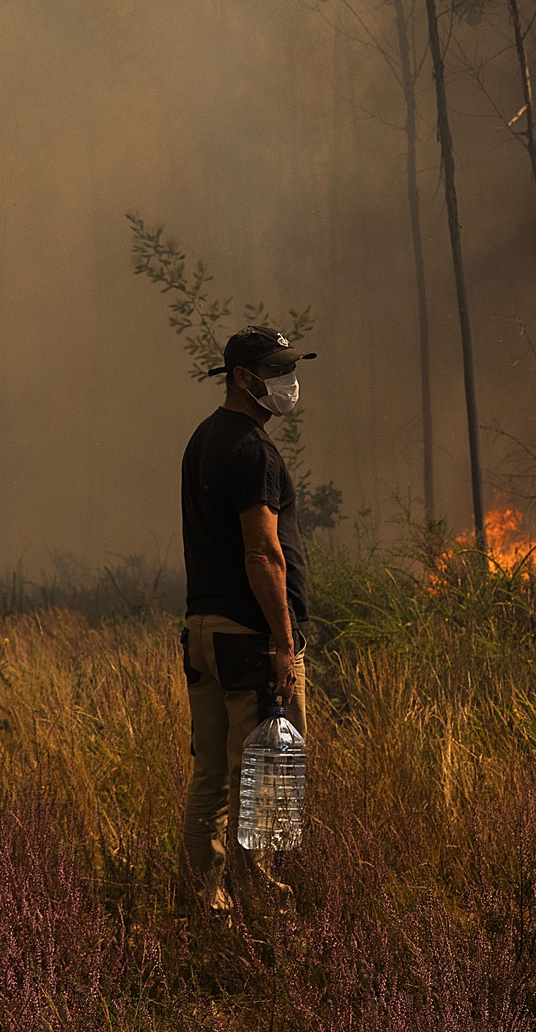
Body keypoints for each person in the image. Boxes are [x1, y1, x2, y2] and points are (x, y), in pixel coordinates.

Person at [178, 324, 316, 917]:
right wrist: (284, 644)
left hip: (203, 634)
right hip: (251, 641)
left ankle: (197, 906)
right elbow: (263, 554)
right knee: (265, 775)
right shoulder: (255, 452)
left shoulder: (203, 439)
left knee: (211, 777)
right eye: (277, 371)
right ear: (243, 378)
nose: (288, 382)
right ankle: (262, 910)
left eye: (290, 368)